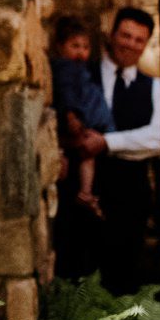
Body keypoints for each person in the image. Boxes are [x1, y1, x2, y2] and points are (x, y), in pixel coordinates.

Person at [58, 7, 160, 290]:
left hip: (129, 201)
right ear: (112, 35)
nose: (130, 44)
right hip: (78, 197)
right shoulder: (80, 72)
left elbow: (158, 138)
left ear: (146, 44)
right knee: (75, 283)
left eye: (139, 40)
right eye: (125, 36)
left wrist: (107, 143)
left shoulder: (155, 87)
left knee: (123, 283)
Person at [49, 16, 115, 218]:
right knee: (84, 154)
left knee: (88, 156)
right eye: (75, 46)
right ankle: (85, 193)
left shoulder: (81, 70)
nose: (81, 52)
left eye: (85, 47)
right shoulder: (65, 68)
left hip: (87, 120)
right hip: (77, 120)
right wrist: (71, 115)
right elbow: (66, 93)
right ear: (60, 47)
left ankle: (86, 192)